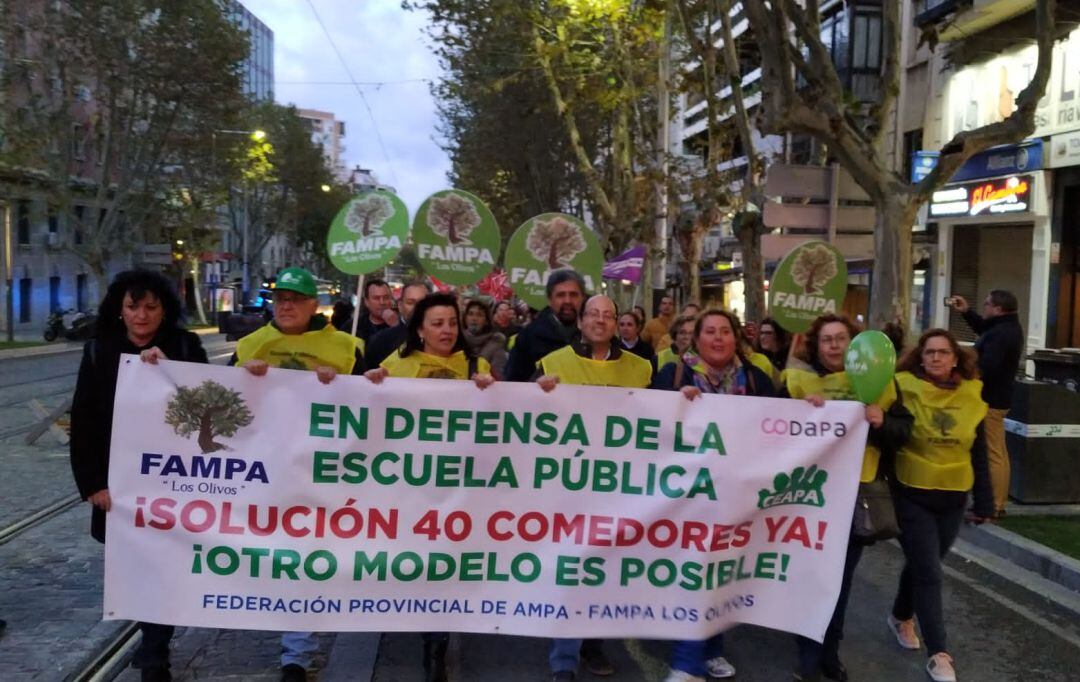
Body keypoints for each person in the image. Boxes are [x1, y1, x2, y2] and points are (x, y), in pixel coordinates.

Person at [70, 269, 209, 682]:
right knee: (135, 567)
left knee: (164, 566)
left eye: (151, 307)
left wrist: (174, 372)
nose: (142, 316)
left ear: (165, 310)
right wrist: (92, 483)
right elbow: (85, 420)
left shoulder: (185, 345)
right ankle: (152, 643)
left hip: (175, 481)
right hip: (119, 486)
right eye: (133, 307)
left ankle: (154, 651)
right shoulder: (99, 351)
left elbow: (210, 407)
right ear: (120, 309)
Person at [230, 267, 363, 682]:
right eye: (280, 299)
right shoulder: (251, 345)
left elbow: (374, 404)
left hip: (323, 472)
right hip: (264, 471)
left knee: (305, 561)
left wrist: (342, 384)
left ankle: (296, 653)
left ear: (312, 305)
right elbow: (222, 403)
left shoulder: (346, 346)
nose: (285, 306)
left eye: (295, 299)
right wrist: (241, 378)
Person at [365, 292, 494, 682]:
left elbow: (501, 422)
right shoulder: (398, 365)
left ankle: (438, 643)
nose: (446, 330)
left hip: (461, 488)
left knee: (449, 564)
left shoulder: (477, 365)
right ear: (420, 329)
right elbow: (372, 412)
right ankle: (431, 641)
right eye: (437, 324)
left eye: (451, 323)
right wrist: (371, 384)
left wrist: (494, 390)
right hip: (413, 487)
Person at [781, 313, 912, 682]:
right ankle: (808, 654)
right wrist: (797, 412)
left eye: (841, 339)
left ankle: (830, 653)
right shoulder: (797, 383)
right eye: (827, 340)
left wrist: (882, 422)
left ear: (853, 345)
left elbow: (904, 432)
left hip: (855, 498)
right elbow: (768, 429)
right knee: (809, 578)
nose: (834, 346)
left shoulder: (882, 386)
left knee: (840, 582)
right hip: (806, 498)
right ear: (816, 345)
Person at [652, 309, 774, 682]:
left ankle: (712, 650)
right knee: (694, 572)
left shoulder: (756, 379)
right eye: (710, 332)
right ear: (696, 339)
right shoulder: (673, 375)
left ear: (736, 338)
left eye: (725, 331)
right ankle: (686, 661)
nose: (718, 338)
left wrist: (815, 412)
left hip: (739, 495)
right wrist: (674, 403)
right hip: (686, 495)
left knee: (723, 571)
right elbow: (646, 425)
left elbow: (783, 424)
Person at [536, 295, 652, 682]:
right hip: (568, 487)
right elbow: (526, 417)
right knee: (570, 570)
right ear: (581, 321)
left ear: (618, 322)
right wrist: (538, 392)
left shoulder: (642, 369)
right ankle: (563, 659)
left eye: (608, 315)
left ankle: (594, 644)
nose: (600, 321)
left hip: (620, 488)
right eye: (593, 314)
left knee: (606, 570)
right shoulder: (553, 364)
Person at [886, 329, 991, 682]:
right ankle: (939, 654)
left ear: (956, 358)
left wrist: (986, 500)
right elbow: (889, 431)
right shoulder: (901, 386)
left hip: (954, 496)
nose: (935, 358)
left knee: (923, 564)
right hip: (911, 492)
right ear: (920, 357)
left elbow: (978, 449)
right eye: (929, 352)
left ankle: (901, 615)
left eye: (943, 352)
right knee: (929, 571)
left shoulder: (971, 396)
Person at [947, 290, 1023, 517]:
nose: (985, 307)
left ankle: (997, 503)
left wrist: (966, 379)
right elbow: (984, 328)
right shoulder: (1003, 327)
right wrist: (966, 312)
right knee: (994, 449)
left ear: (998, 309)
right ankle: (996, 501)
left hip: (991, 400)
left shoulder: (1002, 333)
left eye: (987, 304)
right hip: (993, 397)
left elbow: (987, 367)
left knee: (993, 452)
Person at [504, 270, 586, 381]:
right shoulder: (528, 337)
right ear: (549, 299)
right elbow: (513, 383)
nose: (567, 300)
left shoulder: (596, 336)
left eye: (573, 295)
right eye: (560, 295)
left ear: (583, 298)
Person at [364, 280, 432, 369]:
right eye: (410, 303)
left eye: (422, 302)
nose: (417, 307)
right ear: (400, 306)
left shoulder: (444, 338)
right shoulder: (381, 341)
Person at [463, 298, 509, 378]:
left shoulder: (496, 346)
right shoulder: (457, 342)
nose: (474, 318)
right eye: (470, 314)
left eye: (479, 315)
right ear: (465, 318)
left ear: (486, 321)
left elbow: (500, 378)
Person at [354, 277, 394, 342]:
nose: (382, 302)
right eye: (376, 298)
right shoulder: (354, 326)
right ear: (366, 302)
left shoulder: (402, 324)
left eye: (386, 297)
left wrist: (396, 326)